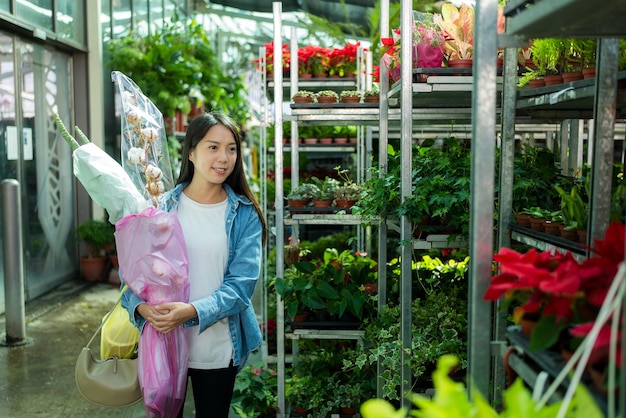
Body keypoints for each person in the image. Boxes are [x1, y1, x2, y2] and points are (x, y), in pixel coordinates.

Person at [121, 111, 267, 417]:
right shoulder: (160, 207)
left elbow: (241, 288)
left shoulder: (244, 214)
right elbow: (131, 277)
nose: (224, 158)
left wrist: (190, 312)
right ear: (191, 152)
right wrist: (141, 309)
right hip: (163, 346)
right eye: (212, 147)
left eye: (231, 148)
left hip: (216, 349)